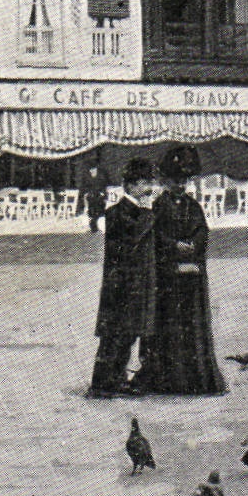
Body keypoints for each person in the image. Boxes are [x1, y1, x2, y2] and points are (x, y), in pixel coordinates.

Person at [138, 145, 227, 396]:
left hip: (191, 278)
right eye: (175, 180)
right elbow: (154, 236)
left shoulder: (193, 206)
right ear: (166, 181)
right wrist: (174, 246)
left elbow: (202, 231)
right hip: (168, 279)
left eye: (183, 181)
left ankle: (195, 379)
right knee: (170, 326)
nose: (180, 185)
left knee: (192, 326)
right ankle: (168, 380)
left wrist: (193, 245)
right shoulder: (158, 206)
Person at [88, 158, 157, 398]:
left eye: (149, 182)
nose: (148, 188)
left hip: (137, 285)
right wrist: (147, 212)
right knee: (115, 336)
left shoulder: (137, 211)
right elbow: (134, 237)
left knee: (127, 335)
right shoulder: (117, 213)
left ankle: (115, 379)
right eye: (143, 183)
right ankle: (102, 384)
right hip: (121, 286)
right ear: (130, 186)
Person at [83, 163, 107, 233]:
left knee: (99, 212)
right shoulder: (88, 178)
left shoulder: (101, 177)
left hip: (99, 197)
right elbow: (86, 187)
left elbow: (104, 186)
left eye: (93, 170)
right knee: (91, 212)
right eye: (90, 170)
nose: (91, 171)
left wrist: (102, 193)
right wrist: (87, 193)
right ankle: (93, 228)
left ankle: (100, 227)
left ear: (96, 169)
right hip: (91, 197)